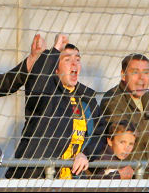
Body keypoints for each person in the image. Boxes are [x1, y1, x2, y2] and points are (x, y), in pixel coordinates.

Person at [6, 34, 100, 179]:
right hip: (37, 178)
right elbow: (37, 81)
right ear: (55, 70)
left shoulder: (87, 98)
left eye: (77, 60)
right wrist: (55, 49)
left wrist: (85, 153)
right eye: (67, 60)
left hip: (75, 180)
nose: (74, 64)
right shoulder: (46, 93)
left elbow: (99, 134)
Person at [98, 53, 149, 179]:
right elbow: (130, 134)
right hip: (123, 178)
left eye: (146, 73)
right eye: (135, 72)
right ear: (123, 75)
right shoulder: (113, 99)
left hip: (148, 178)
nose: (141, 78)